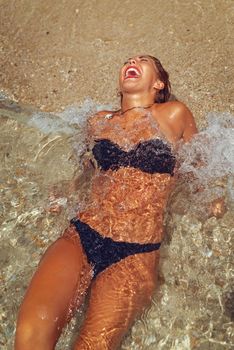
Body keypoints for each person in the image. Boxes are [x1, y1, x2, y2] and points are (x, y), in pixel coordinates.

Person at [15, 55, 198, 350]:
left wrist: (212, 197)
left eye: (143, 60)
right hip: (83, 235)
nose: (132, 60)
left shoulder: (174, 114)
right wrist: (68, 188)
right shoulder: (98, 121)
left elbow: (198, 164)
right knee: (29, 334)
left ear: (159, 83)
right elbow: (88, 171)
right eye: (128, 59)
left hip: (135, 254)